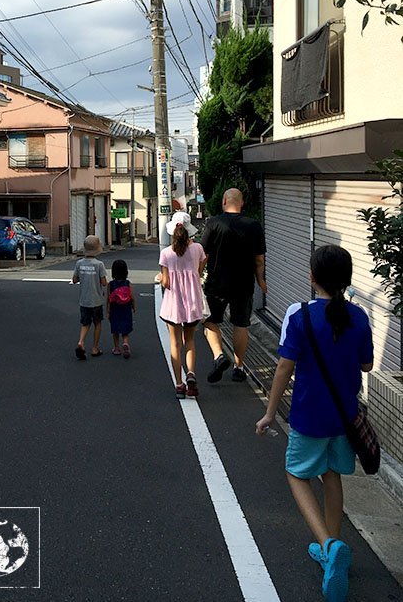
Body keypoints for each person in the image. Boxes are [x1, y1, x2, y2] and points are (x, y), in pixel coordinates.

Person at [256, 245, 374, 602]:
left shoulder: (300, 315)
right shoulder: (359, 317)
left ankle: (327, 544)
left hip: (308, 414)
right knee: (331, 474)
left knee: (296, 473)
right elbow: (367, 366)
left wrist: (270, 412)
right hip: (345, 417)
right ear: (347, 279)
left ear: (312, 277)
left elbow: (283, 367)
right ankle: (332, 549)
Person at [201, 187, 267, 384]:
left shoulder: (213, 223)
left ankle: (219, 355)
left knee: (209, 320)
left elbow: (203, 255)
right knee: (241, 323)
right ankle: (239, 368)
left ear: (223, 201)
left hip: (217, 282)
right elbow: (259, 259)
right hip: (244, 282)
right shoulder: (254, 225)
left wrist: (196, 276)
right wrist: (261, 280)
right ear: (242, 203)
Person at [159, 211, 207, 399]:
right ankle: (191, 375)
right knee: (190, 341)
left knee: (175, 343)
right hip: (193, 302)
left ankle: (179, 385)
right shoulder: (197, 249)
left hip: (173, 304)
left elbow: (165, 282)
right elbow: (199, 270)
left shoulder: (166, 254)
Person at [72, 235, 107, 360]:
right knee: (97, 323)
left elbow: (75, 280)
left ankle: (81, 342)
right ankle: (95, 348)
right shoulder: (99, 265)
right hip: (96, 300)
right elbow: (104, 282)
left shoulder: (79, 263)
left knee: (85, 323)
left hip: (84, 300)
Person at [107, 259, 135, 358]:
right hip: (126, 309)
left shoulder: (111, 284)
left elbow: (108, 299)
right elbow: (132, 297)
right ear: (126, 272)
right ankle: (126, 343)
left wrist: (108, 311)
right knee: (125, 329)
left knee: (115, 329)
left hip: (115, 309)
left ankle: (116, 348)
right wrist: (133, 307)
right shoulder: (127, 283)